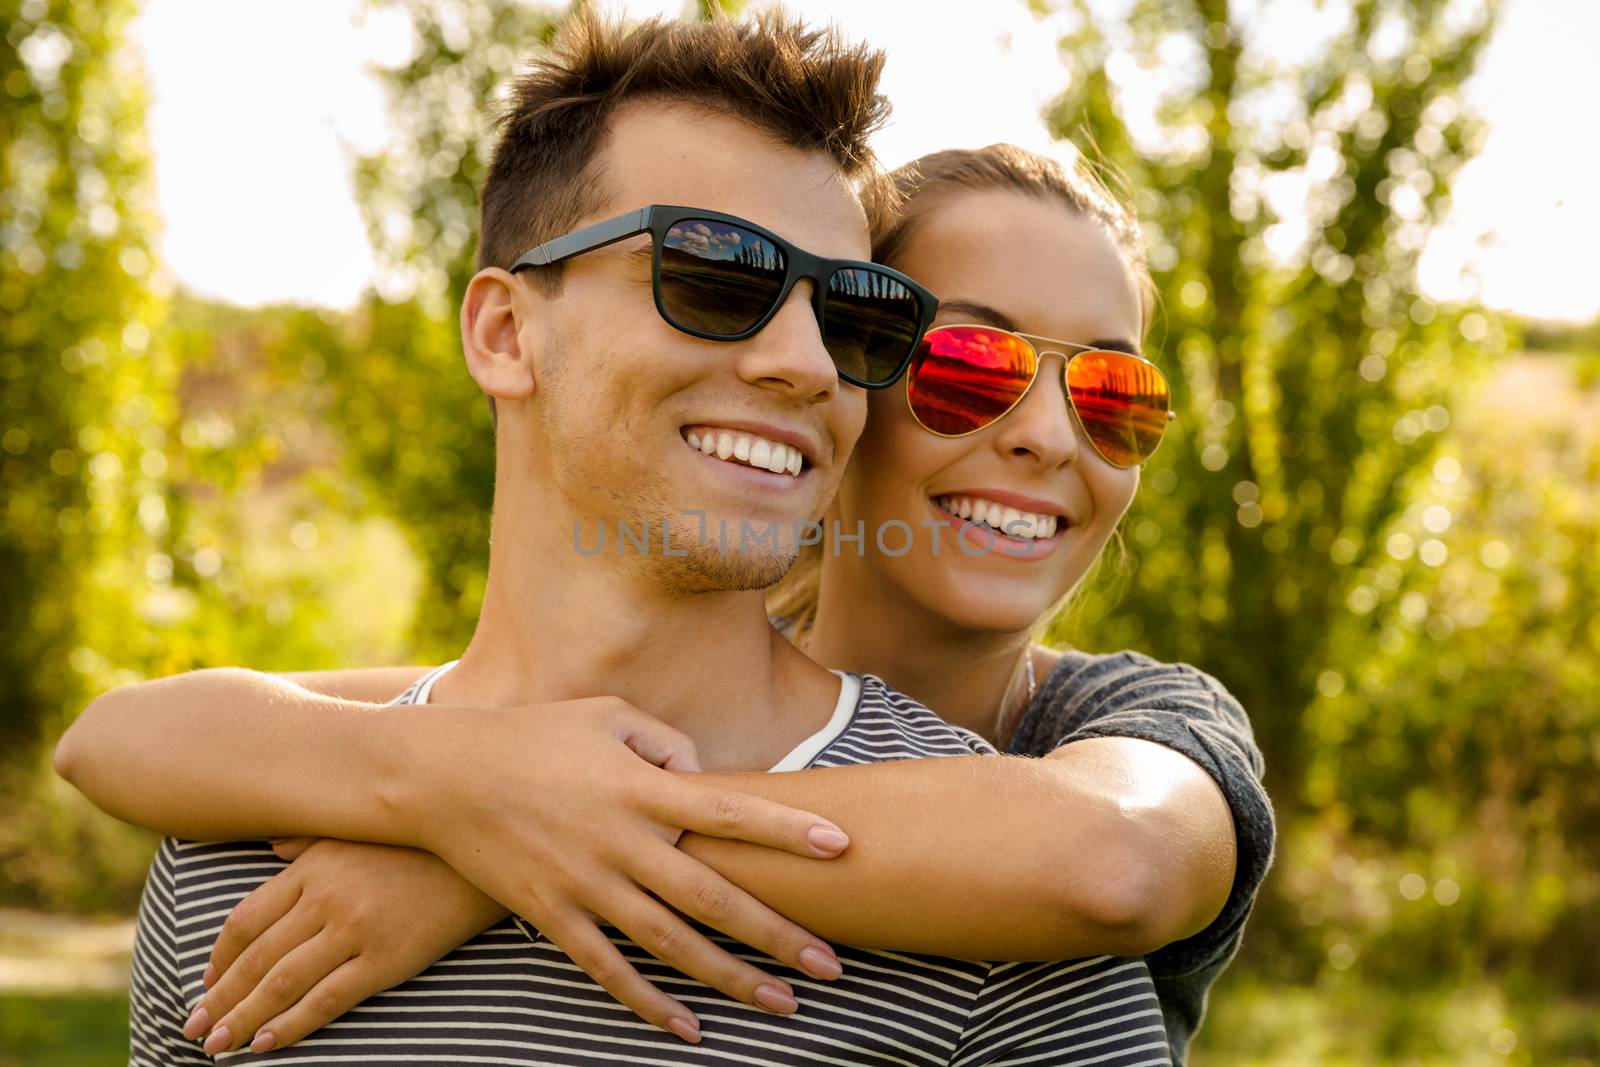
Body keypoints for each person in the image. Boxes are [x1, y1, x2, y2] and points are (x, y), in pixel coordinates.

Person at [60, 11, 1183, 1066]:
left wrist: (566, 824)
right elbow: (124, 734)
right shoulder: (236, 869)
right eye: (713, 273)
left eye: (852, 315)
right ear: (505, 332)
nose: (802, 360)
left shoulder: (1001, 918)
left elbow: (1114, 858)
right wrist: (448, 785)